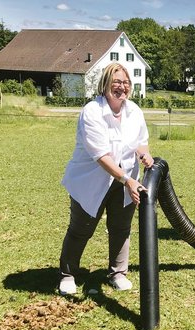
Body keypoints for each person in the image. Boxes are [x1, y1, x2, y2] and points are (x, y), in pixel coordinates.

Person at [58, 62, 154, 295]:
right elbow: (101, 156)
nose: (121, 87)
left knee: (121, 228)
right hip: (91, 181)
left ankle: (117, 273)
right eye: (116, 82)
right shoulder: (92, 111)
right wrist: (127, 180)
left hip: (125, 181)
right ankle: (68, 275)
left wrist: (145, 154)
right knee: (81, 228)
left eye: (125, 82)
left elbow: (141, 139)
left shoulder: (134, 111)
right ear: (105, 84)